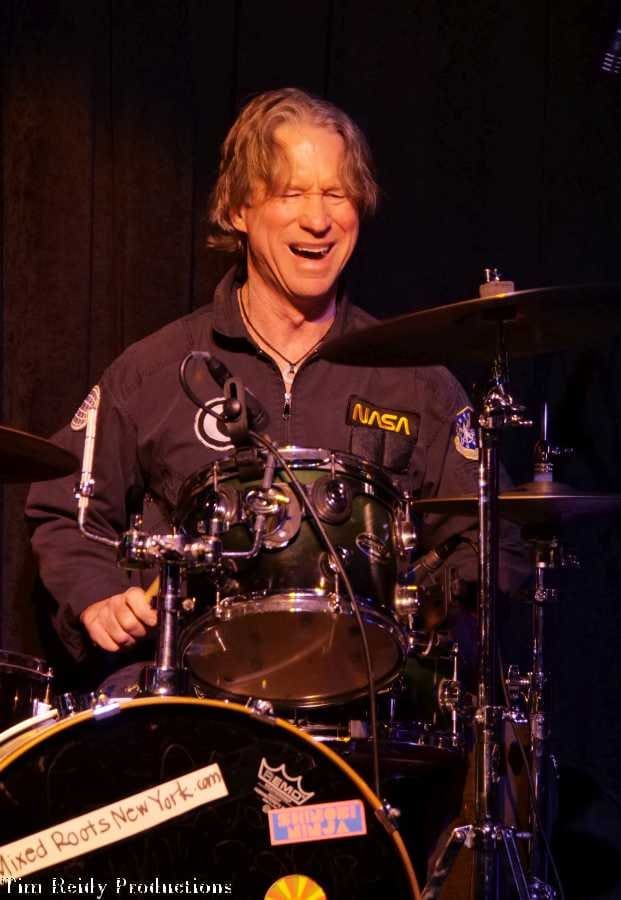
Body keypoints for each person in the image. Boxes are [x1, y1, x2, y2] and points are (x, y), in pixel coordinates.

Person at [26, 87, 527, 671]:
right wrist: (98, 596)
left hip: (365, 702)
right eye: (292, 193)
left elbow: (494, 538)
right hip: (195, 697)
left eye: (336, 194)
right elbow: (65, 510)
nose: (318, 220)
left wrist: (430, 608)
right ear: (238, 210)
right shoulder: (154, 370)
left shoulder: (416, 382)